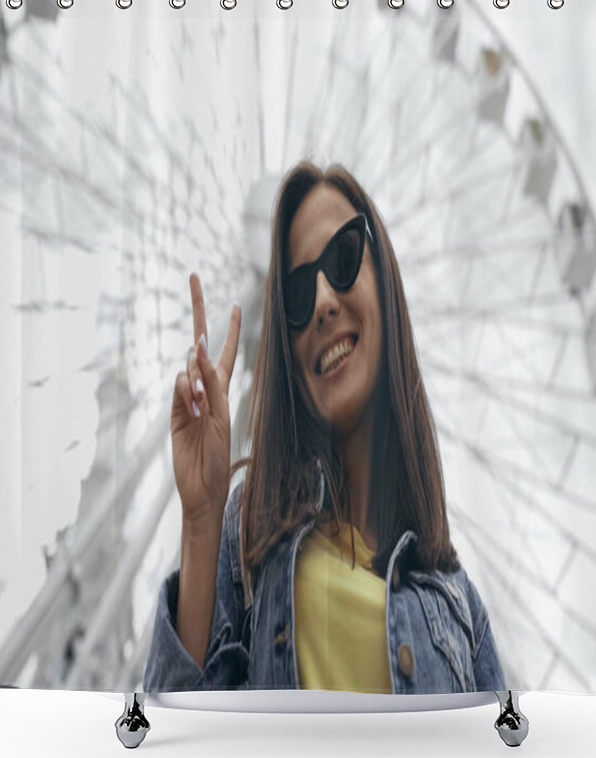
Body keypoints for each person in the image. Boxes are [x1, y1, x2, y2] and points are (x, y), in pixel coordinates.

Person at [143, 160, 505, 694]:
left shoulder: (459, 603)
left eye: (343, 258)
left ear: (384, 280)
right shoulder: (252, 532)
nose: (322, 305)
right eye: (295, 293)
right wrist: (200, 518)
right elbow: (178, 736)